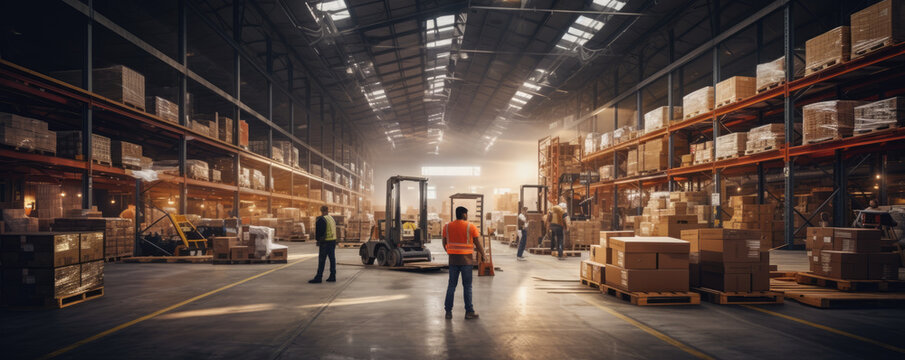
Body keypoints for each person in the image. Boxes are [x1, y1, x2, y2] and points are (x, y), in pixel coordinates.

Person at [442, 206, 486, 320]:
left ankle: (448, 312)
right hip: (466, 260)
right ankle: (469, 312)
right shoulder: (470, 226)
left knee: (451, 285)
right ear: (464, 214)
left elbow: (444, 242)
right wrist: (484, 255)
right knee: (467, 286)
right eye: (466, 214)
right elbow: (477, 243)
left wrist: (450, 252)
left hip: (453, 260)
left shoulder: (447, 227)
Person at [309, 206, 337, 283]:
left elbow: (319, 232)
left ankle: (319, 277)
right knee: (332, 259)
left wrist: (318, 240)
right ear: (327, 210)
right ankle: (332, 276)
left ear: (321, 211)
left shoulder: (322, 219)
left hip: (325, 242)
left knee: (322, 260)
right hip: (333, 241)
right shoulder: (331, 218)